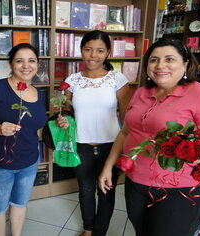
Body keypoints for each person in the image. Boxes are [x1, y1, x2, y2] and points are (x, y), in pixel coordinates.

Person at [98, 38, 200, 236]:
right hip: (137, 184)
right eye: (154, 60)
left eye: (169, 59)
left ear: (186, 64)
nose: (160, 66)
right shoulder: (141, 92)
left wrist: (178, 150)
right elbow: (126, 132)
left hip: (181, 191)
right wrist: (108, 167)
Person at [56, 30, 131, 236]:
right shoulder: (72, 80)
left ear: (107, 53)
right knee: (86, 190)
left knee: (106, 191)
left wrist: (128, 149)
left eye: (99, 50)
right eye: (88, 49)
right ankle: (88, 230)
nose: (93, 55)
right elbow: (65, 111)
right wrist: (62, 119)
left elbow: (127, 119)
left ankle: (100, 232)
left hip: (111, 146)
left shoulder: (118, 79)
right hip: (80, 145)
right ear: (81, 51)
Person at [0, 43, 47, 236]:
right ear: (10, 63)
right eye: (19, 61)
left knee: (20, 204)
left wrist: (60, 123)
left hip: (30, 161)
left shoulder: (39, 95)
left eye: (31, 60)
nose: (26, 66)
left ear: (38, 64)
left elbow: (37, 128)